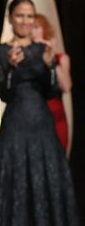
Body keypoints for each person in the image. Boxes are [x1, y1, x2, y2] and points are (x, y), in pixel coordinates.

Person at [0, 0, 82, 226]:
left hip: (43, 128)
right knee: (14, 189)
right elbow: (4, 93)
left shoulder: (40, 49)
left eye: (30, 16)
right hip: (15, 127)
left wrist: (49, 65)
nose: (25, 21)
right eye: (20, 15)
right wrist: (11, 69)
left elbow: (52, 91)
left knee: (46, 186)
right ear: (10, 19)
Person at [32, 13, 72, 152]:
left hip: (56, 120)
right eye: (30, 27)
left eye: (36, 27)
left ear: (44, 29)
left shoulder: (60, 58)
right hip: (35, 120)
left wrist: (51, 60)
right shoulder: (25, 59)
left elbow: (66, 86)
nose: (33, 31)